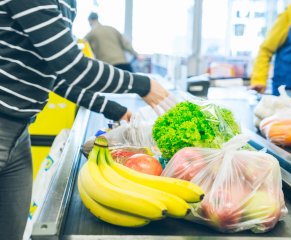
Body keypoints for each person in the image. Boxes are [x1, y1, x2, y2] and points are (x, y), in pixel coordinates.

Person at [0, 1, 173, 240]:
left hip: (19, 132)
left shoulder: (66, 3)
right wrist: (141, 84)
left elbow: (56, 74)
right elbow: (72, 66)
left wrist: (114, 109)